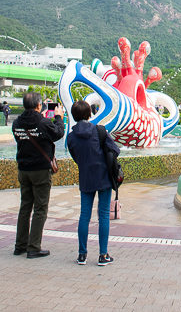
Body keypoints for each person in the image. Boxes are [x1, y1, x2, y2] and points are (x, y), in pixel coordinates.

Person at [66, 100, 120, 266]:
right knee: (103, 214)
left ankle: (82, 255)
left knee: (84, 215)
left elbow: (76, 157)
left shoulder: (71, 137)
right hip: (103, 177)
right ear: (89, 114)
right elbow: (115, 150)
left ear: (74, 116)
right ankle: (103, 255)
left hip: (86, 177)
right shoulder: (99, 131)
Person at [12, 92, 64, 258]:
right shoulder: (43, 122)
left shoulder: (16, 122)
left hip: (23, 169)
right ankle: (33, 246)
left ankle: (20, 245)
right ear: (39, 105)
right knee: (40, 208)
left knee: (25, 207)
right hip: (40, 170)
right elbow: (58, 133)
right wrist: (58, 117)